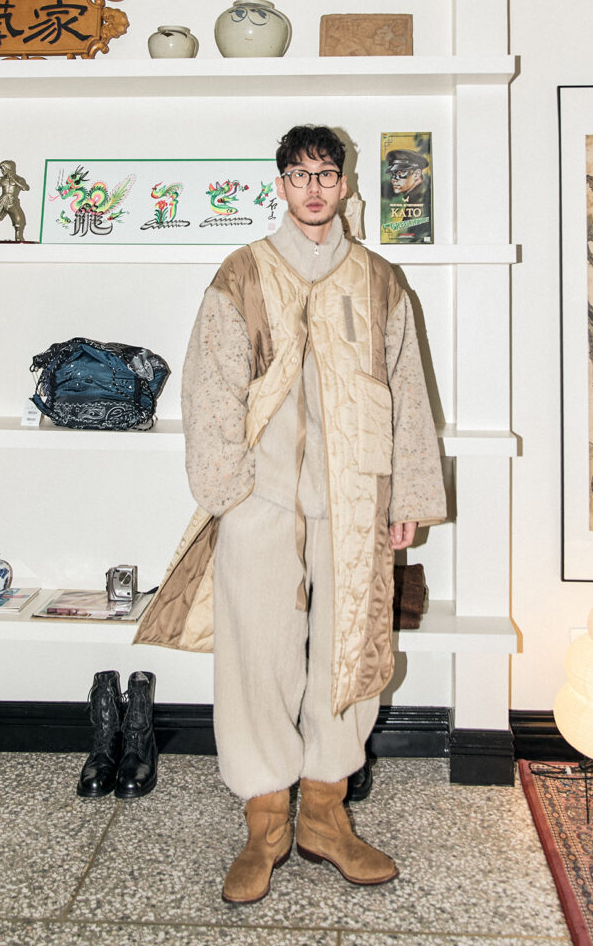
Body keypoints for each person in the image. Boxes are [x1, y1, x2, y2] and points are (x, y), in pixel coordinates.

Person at [135, 124, 446, 904]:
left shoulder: (380, 280)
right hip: (260, 499)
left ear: (344, 184)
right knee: (257, 654)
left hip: (355, 500)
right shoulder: (243, 272)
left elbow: (408, 391)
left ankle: (326, 818)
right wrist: (228, 494)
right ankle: (266, 822)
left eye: (326, 174)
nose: (314, 189)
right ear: (280, 185)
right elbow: (209, 386)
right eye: (300, 175)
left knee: (350, 652)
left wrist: (406, 497)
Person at [381, 147, 432, 243]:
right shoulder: (414, 197)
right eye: (392, 174)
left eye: (400, 173)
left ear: (417, 174)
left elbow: (416, 237)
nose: (394, 179)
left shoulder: (422, 200)